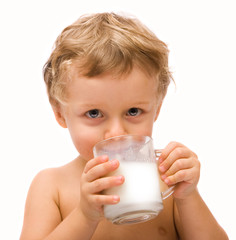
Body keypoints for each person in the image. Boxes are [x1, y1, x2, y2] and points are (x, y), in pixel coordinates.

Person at [20, 12, 228, 240]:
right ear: (60, 113)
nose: (117, 133)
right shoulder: (52, 187)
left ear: (157, 108)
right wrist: (84, 215)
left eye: (133, 111)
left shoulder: (166, 182)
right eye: (94, 113)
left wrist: (188, 195)